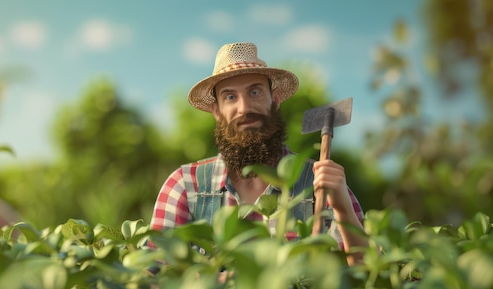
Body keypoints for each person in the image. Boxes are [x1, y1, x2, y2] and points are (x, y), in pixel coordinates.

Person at [149, 42, 368, 265]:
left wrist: (342, 209)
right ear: (216, 111)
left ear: (276, 100)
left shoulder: (321, 182)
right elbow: (152, 275)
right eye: (230, 97)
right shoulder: (185, 185)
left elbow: (368, 273)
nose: (244, 108)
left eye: (254, 92)